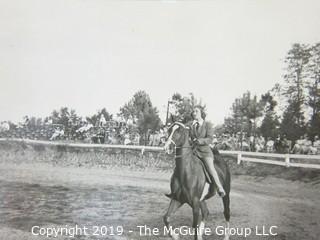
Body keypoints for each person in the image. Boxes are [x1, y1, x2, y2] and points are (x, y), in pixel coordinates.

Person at [189, 106, 226, 197]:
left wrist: (200, 141)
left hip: (205, 152)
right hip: (193, 151)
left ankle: (219, 187)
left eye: (196, 111)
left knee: (210, 168)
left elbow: (210, 139)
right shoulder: (190, 125)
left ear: (201, 113)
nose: (194, 113)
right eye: (193, 111)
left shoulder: (207, 125)